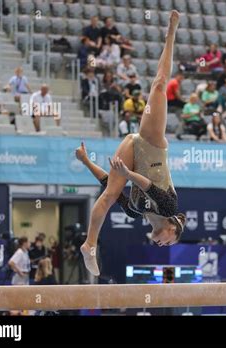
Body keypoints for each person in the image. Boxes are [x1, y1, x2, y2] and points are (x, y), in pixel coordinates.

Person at [78, 11, 186, 276]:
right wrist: (127, 174)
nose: (163, 245)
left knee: (110, 194)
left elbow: (107, 181)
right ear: (173, 230)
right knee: (159, 85)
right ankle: (171, 32)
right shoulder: (171, 208)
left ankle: (89, 245)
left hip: (131, 151)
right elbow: (148, 185)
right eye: (169, 242)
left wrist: (86, 161)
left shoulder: (136, 213)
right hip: (151, 145)